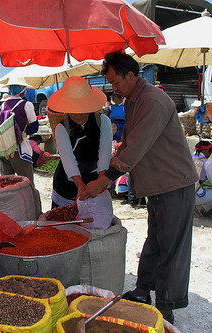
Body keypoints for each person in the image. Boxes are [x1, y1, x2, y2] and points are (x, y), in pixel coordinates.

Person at [79, 51, 197, 324]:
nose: (114, 88)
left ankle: (166, 308)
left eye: (115, 82)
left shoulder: (152, 100)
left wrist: (104, 179)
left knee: (172, 246)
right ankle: (144, 289)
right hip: (157, 183)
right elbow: (130, 143)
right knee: (155, 240)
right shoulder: (134, 99)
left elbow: (136, 149)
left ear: (131, 75)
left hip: (173, 183)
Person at [48, 76, 112, 208]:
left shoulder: (103, 121)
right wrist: (80, 185)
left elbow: (105, 153)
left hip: (95, 177)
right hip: (68, 179)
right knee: (65, 219)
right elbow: (68, 159)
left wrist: (100, 182)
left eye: (82, 109)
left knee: (94, 218)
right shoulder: (62, 127)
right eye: (74, 109)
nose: (78, 114)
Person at [0, 77, 42, 218]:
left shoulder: (2, 105)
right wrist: (24, 132)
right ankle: (36, 213)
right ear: (23, 90)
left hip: (5, 149)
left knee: (6, 185)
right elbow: (34, 127)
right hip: (20, 150)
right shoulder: (26, 105)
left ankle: (8, 213)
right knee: (27, 184)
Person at [192, 140, 212, 215]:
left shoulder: (187, 157)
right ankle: (204, 210)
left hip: (179, 194)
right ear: (206, 150)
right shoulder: (207, 164)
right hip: (193, 196)